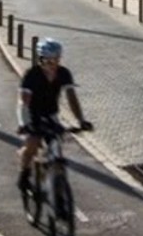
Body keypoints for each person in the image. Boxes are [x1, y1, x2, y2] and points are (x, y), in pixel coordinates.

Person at [17, 38, 90, 191]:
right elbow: (23, 103)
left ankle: (58, 192)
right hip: (32, 114)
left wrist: (81, 120)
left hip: (51, 115)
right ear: (41, 59)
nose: (53, 64)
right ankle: (24, 174)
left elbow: (72, 98)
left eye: (56, 59)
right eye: (49, 60)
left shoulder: (64, 73)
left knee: (57, 151)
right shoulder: (31, 75)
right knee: (32, 144)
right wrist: (24, 124)